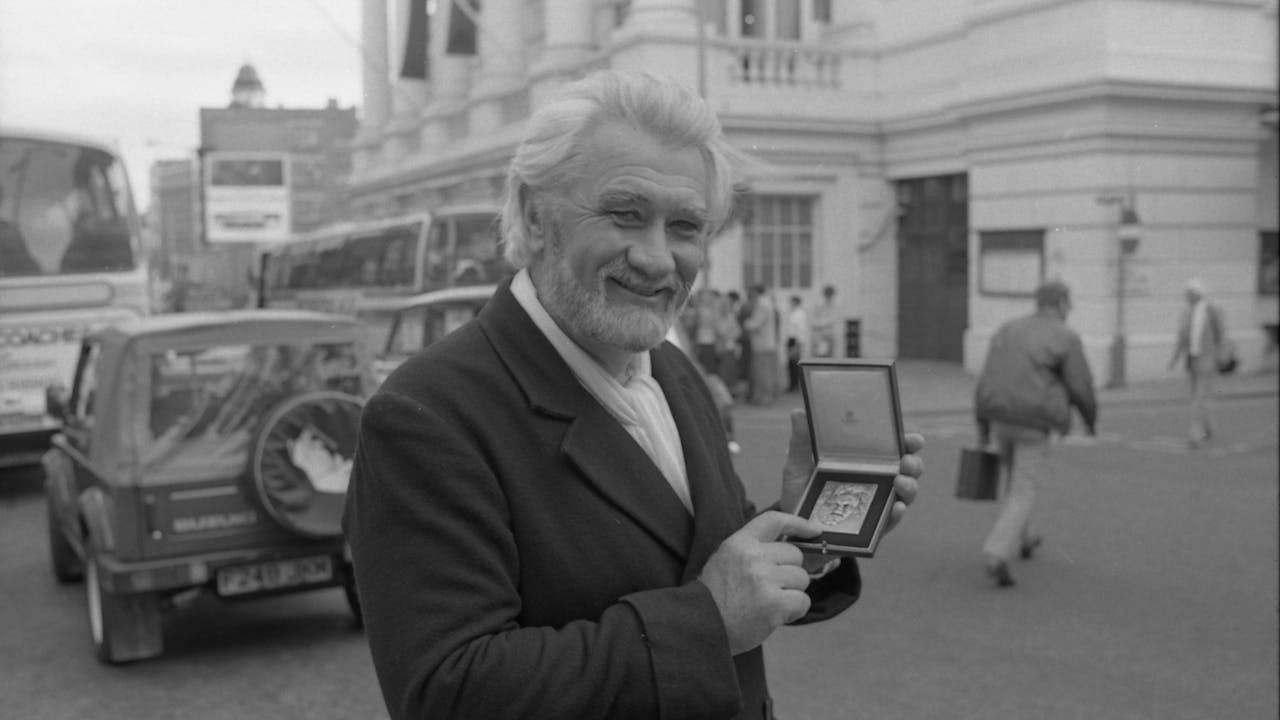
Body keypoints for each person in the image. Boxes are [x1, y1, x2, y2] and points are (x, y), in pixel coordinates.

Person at [343, 70, 924, 720]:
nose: (656, 258)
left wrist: (806, 524)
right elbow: (447, 694)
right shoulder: (426, 415)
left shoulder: (673, 370)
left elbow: (701, 559)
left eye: (685, 227)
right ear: (536, 216)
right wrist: (708, 620)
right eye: (625, 214)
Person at [974, 280, 1096, 588]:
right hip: (1034, 421)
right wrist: (1090, 421)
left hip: (1000, 417)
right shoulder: (1065, 337)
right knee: (1023, 488)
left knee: (1015, 482)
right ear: (1059, 303)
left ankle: (1025, 538)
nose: (1071, 308)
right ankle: (997, 552)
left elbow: (987, 377)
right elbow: (1080, 385)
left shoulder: (1007, 329)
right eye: (1069, 302)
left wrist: (982, 426)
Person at [1167, 277, 1230, 447]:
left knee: (1198, 396)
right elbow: (1182, 337)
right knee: (1201, 395)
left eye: (1189, 294)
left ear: (1198, 294)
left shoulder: (1211, 310)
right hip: (1192, 359)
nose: (1187, 297)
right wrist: (1174, 359)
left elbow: (1221, 334)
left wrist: (1223, 355)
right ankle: (1209, 427)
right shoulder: (1187, 312)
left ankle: (1195, 433)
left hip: (1207, 358)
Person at [744, 283, 780, 405]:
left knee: (763, 373)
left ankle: (766, 397)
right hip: (767, 343)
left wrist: (747, 323)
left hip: (762, 345)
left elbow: (756, 323)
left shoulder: (762, 304)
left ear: (755, 291)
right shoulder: (768, 302)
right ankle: (766, 396)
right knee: (766, 372)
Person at [785, 295, 808, 392]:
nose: (791, 304)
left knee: (794, 364)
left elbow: (801, 329)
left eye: (793, 302)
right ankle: (792, 384)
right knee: (791, 364)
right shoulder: (793, 313)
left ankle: (795, 386)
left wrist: (798, 344)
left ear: (797, 302)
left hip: (796, 340)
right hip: (791, 339)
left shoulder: (800, 314)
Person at [809, 284, 838, 358]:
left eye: (830, 295)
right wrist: (821, 324)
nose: (829, 296)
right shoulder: (818, 305)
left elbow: (832, 320)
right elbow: (813, 321)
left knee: (829, 358)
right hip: (818, 335)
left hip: (828, 335)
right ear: (824, 294)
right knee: (817, 357)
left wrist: (821, 323)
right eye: (827, 294)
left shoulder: (834, 306)